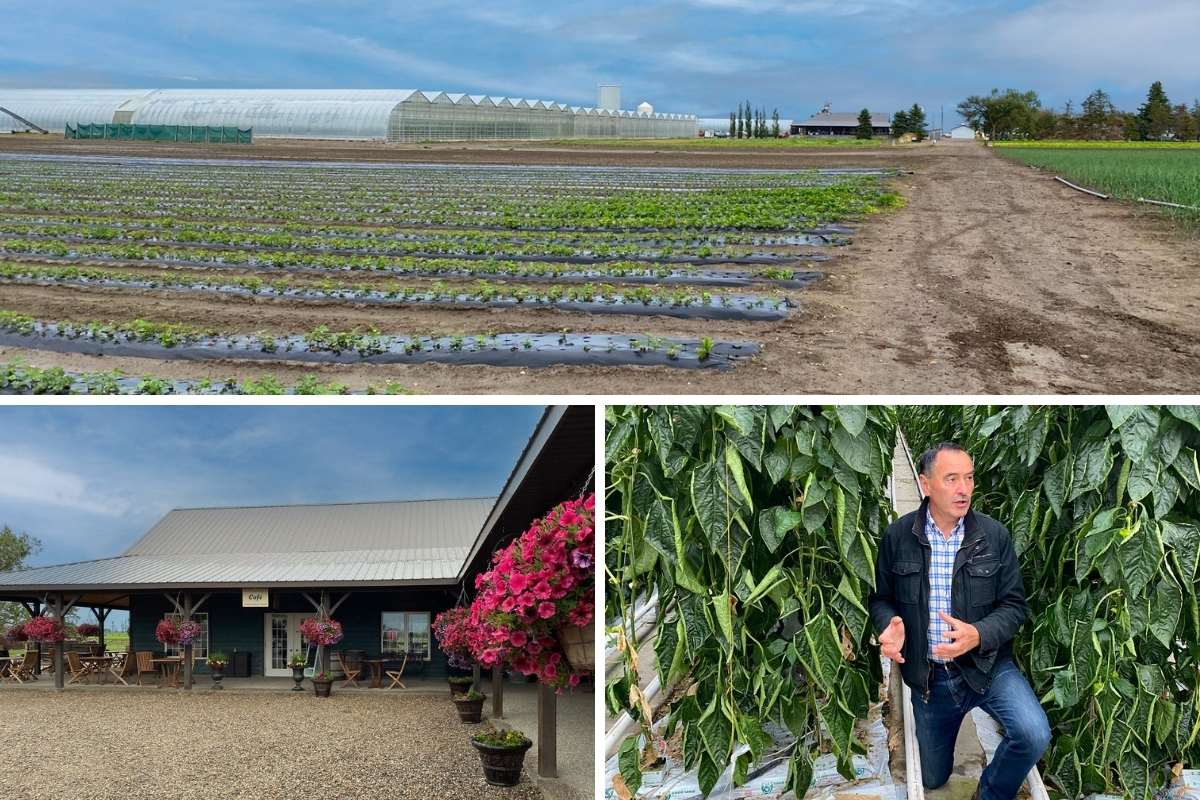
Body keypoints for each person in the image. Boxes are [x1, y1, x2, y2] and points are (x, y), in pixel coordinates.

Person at [868, 442, 1050, 800]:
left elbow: (1015, 606)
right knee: (934, 777)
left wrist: (979, 634)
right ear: (925, 484)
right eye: (951, 479)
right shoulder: (898, 537)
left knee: (1033, 733)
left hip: (986, 667)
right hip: (930, 679)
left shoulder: (993, 536)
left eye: (968, 478)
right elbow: (881, 598)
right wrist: (888, 623)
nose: (963, 489)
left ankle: (990, 791)